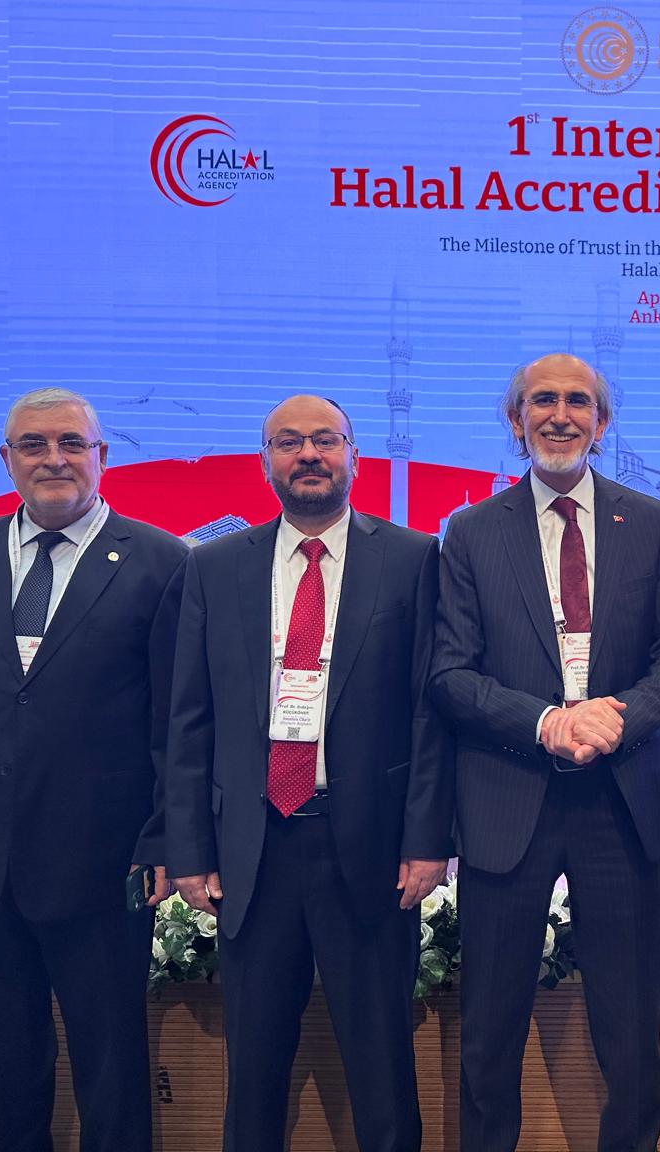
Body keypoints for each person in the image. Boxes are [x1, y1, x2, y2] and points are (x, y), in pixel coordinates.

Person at [0, 387, 188, 1152]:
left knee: (110, 1074)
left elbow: (175, 725)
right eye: (34, 445)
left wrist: (164, 837)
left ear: (101, 456)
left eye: (71, 443)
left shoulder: (162, 561)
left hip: (103, 864)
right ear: (7, 459)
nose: (54, 459)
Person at [163, 394, 452, 1152]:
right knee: (254, 1070)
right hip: (253, 849)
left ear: (354, 454)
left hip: (370, 849)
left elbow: (430, 714)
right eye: (289, 443)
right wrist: (189, 849)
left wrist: (428, 839)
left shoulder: (414, 558)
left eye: (326, 440)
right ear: (265, 462)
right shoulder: (214, 566)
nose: (309, 455)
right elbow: (190, 718)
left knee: (382, 1069)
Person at [430, 353, 660, 1152]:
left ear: (602, 422)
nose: (560, 414)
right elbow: (450, 673)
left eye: (578, 401)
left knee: (631, 1029)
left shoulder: (649, 522)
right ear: (515, 420)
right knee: (490, 1031)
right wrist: (545, 721)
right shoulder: (472, 532)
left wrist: (621, 718)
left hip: (618, 802)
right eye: (541, 400)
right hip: (507, 800)